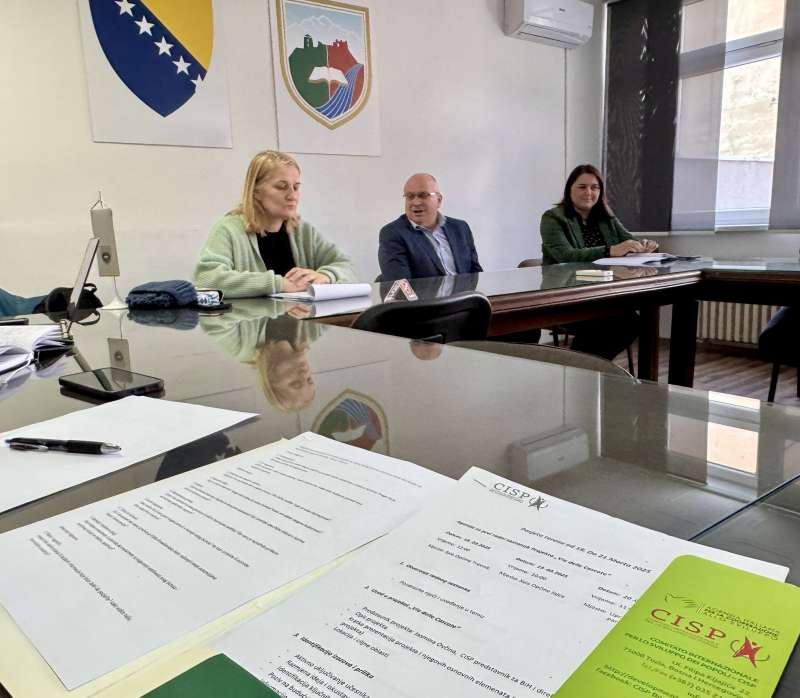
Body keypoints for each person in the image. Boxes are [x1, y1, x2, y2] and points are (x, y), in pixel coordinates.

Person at [194, 150, 357, 298]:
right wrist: (279, 284)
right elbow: (206, 279)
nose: (292, 196)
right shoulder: (229, 229)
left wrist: (327, 276)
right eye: (281, 187)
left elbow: (347, 266)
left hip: (300, 319)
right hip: (250, 321)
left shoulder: (303, 231)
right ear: (256, 191)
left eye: (296, 187)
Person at [539, 164, 658, 360]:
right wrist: (610, 250)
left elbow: (629, 241)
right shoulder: (553, 218)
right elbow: (565, 255)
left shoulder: (607, 218)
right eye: (582, 187)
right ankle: (582, 368)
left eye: (595, 187)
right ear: (569, 190)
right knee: (612, 323)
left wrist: (644, 246)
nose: (589, 192)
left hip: (603, 294)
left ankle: (583, 368)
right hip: (566, 296)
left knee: (630, 321)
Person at [378, 173, 482, 282]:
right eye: (410, 196)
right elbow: (401, 286)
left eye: (423, 195)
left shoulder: (460, 228)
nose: (416, 202)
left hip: (466, 292)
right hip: (424, 294)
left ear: (439, 200)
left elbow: (476, 275)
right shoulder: (392, 234)